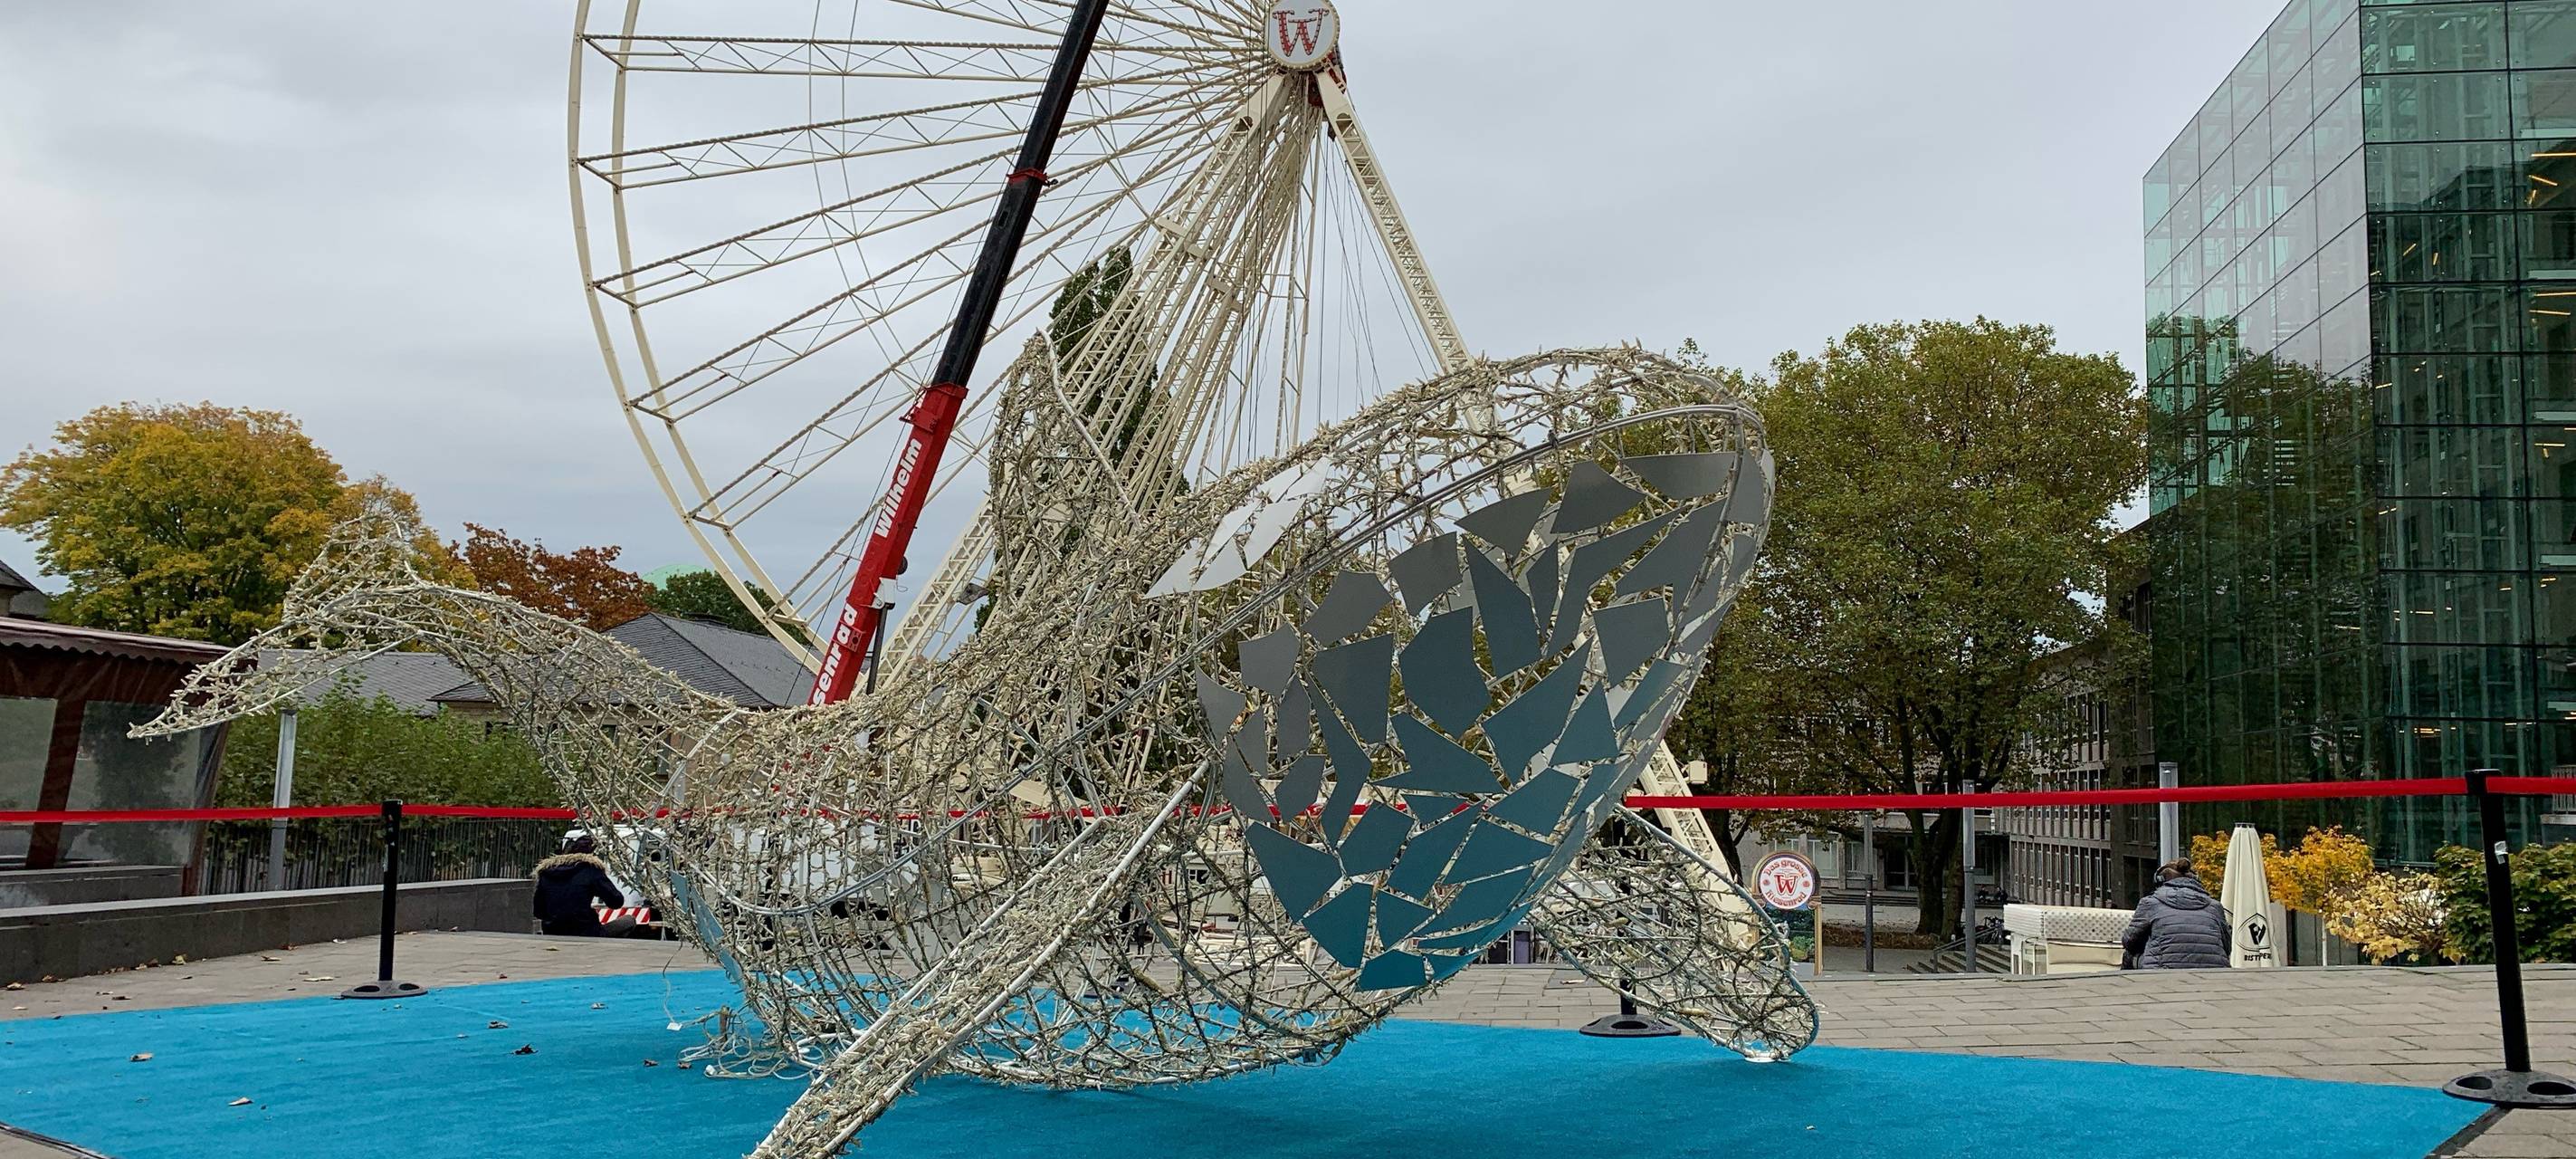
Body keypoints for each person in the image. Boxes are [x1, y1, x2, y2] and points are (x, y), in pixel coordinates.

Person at [2121, 858, 2232, 970]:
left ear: (2159, 881)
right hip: (2215, 972)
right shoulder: (2215, 906)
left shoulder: (2150, 903)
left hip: (2162, 972)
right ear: (2196, 881)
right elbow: (2227, 946)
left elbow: (2129, 942)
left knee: (2129, 955)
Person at [532, 832, 632, 937]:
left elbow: (538, 912)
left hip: (553, 932)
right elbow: (616, 901)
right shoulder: (591, 869)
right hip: (587, 933)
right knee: (629, 921)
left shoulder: (546, 873)